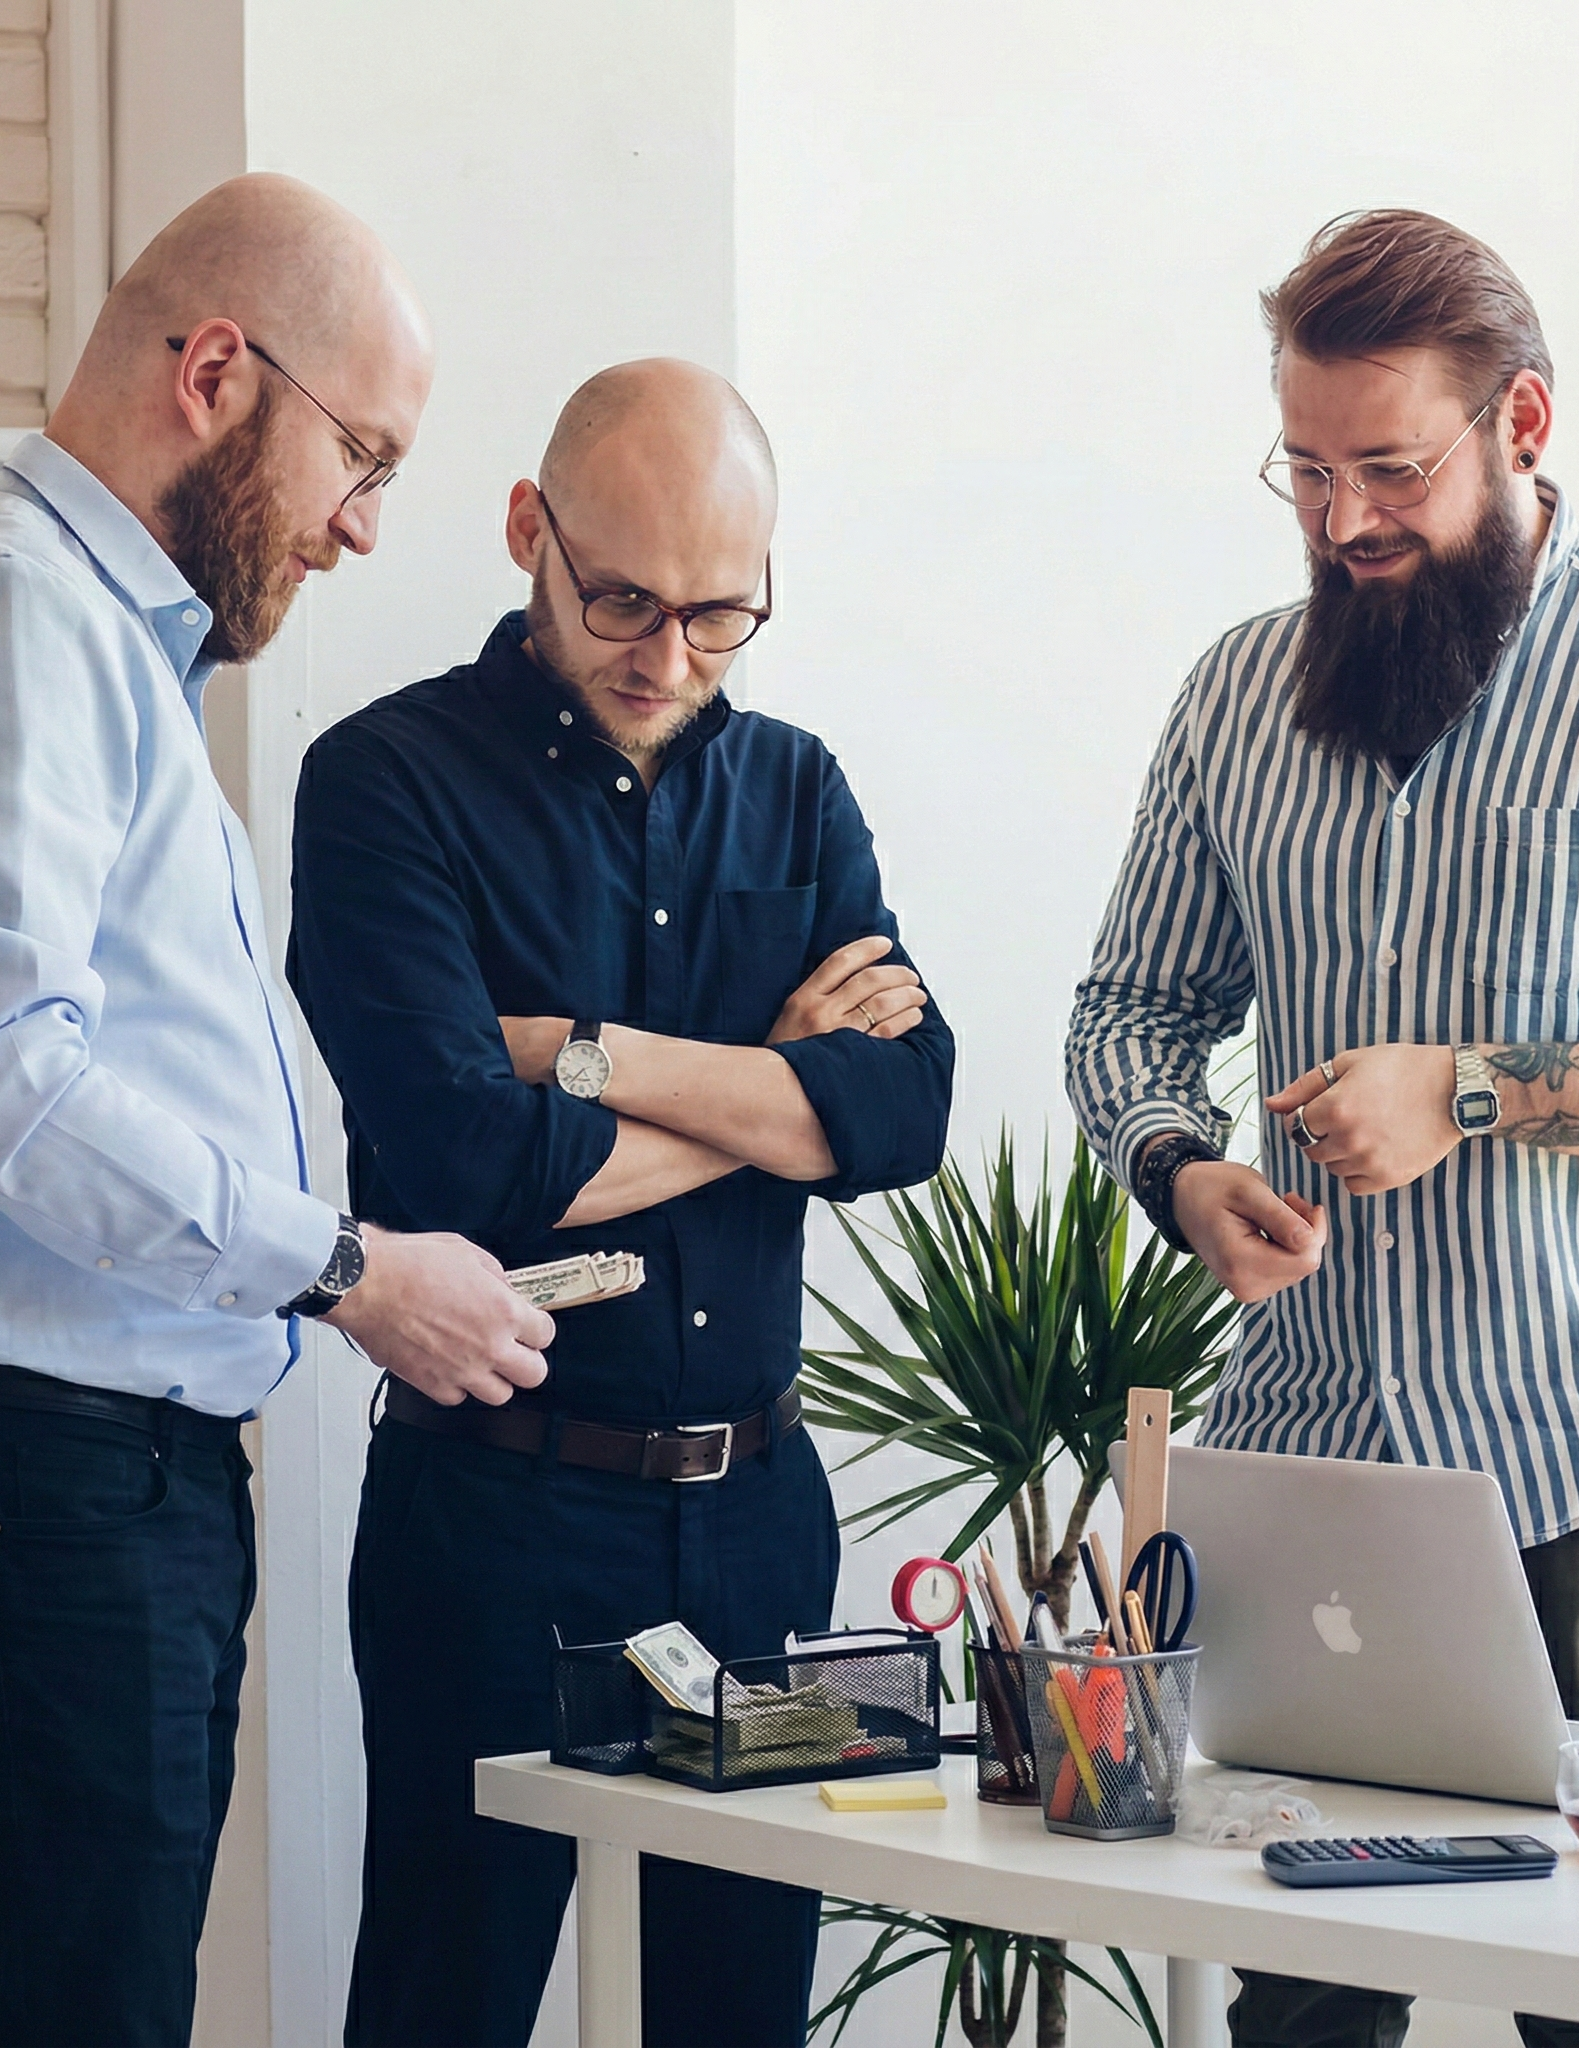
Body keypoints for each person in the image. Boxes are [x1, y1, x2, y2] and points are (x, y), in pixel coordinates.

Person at [0, 174, 555, 2048]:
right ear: (217, 369)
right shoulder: (20, 624)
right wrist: (349, 1268)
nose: (365, 525)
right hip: (27, 1493)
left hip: (61, 1492)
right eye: (357, 456)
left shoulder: (101, 645)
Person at [1065, 209, 1579, 2048]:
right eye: (1304, 471)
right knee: (1298, 2017)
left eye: (1392, 468)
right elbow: (1130, 1012)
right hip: (1320, 1479)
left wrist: (1470, 1087)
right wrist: (1182, 1168)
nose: (1343, 521)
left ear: (1522, 422)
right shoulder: (1235, 694)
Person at [288, 357, 955, 2048]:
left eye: (723, 616)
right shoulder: (382, 784)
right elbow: (457, 1170)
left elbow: (905, 1108)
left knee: (733, 2017)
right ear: (530, 530)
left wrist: (584, 1057)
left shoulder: (795, 786)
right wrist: (768, 1086)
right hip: (494, 1517)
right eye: (623, 603)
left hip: (755, 1520)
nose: (669, 661)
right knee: (447, 1998)